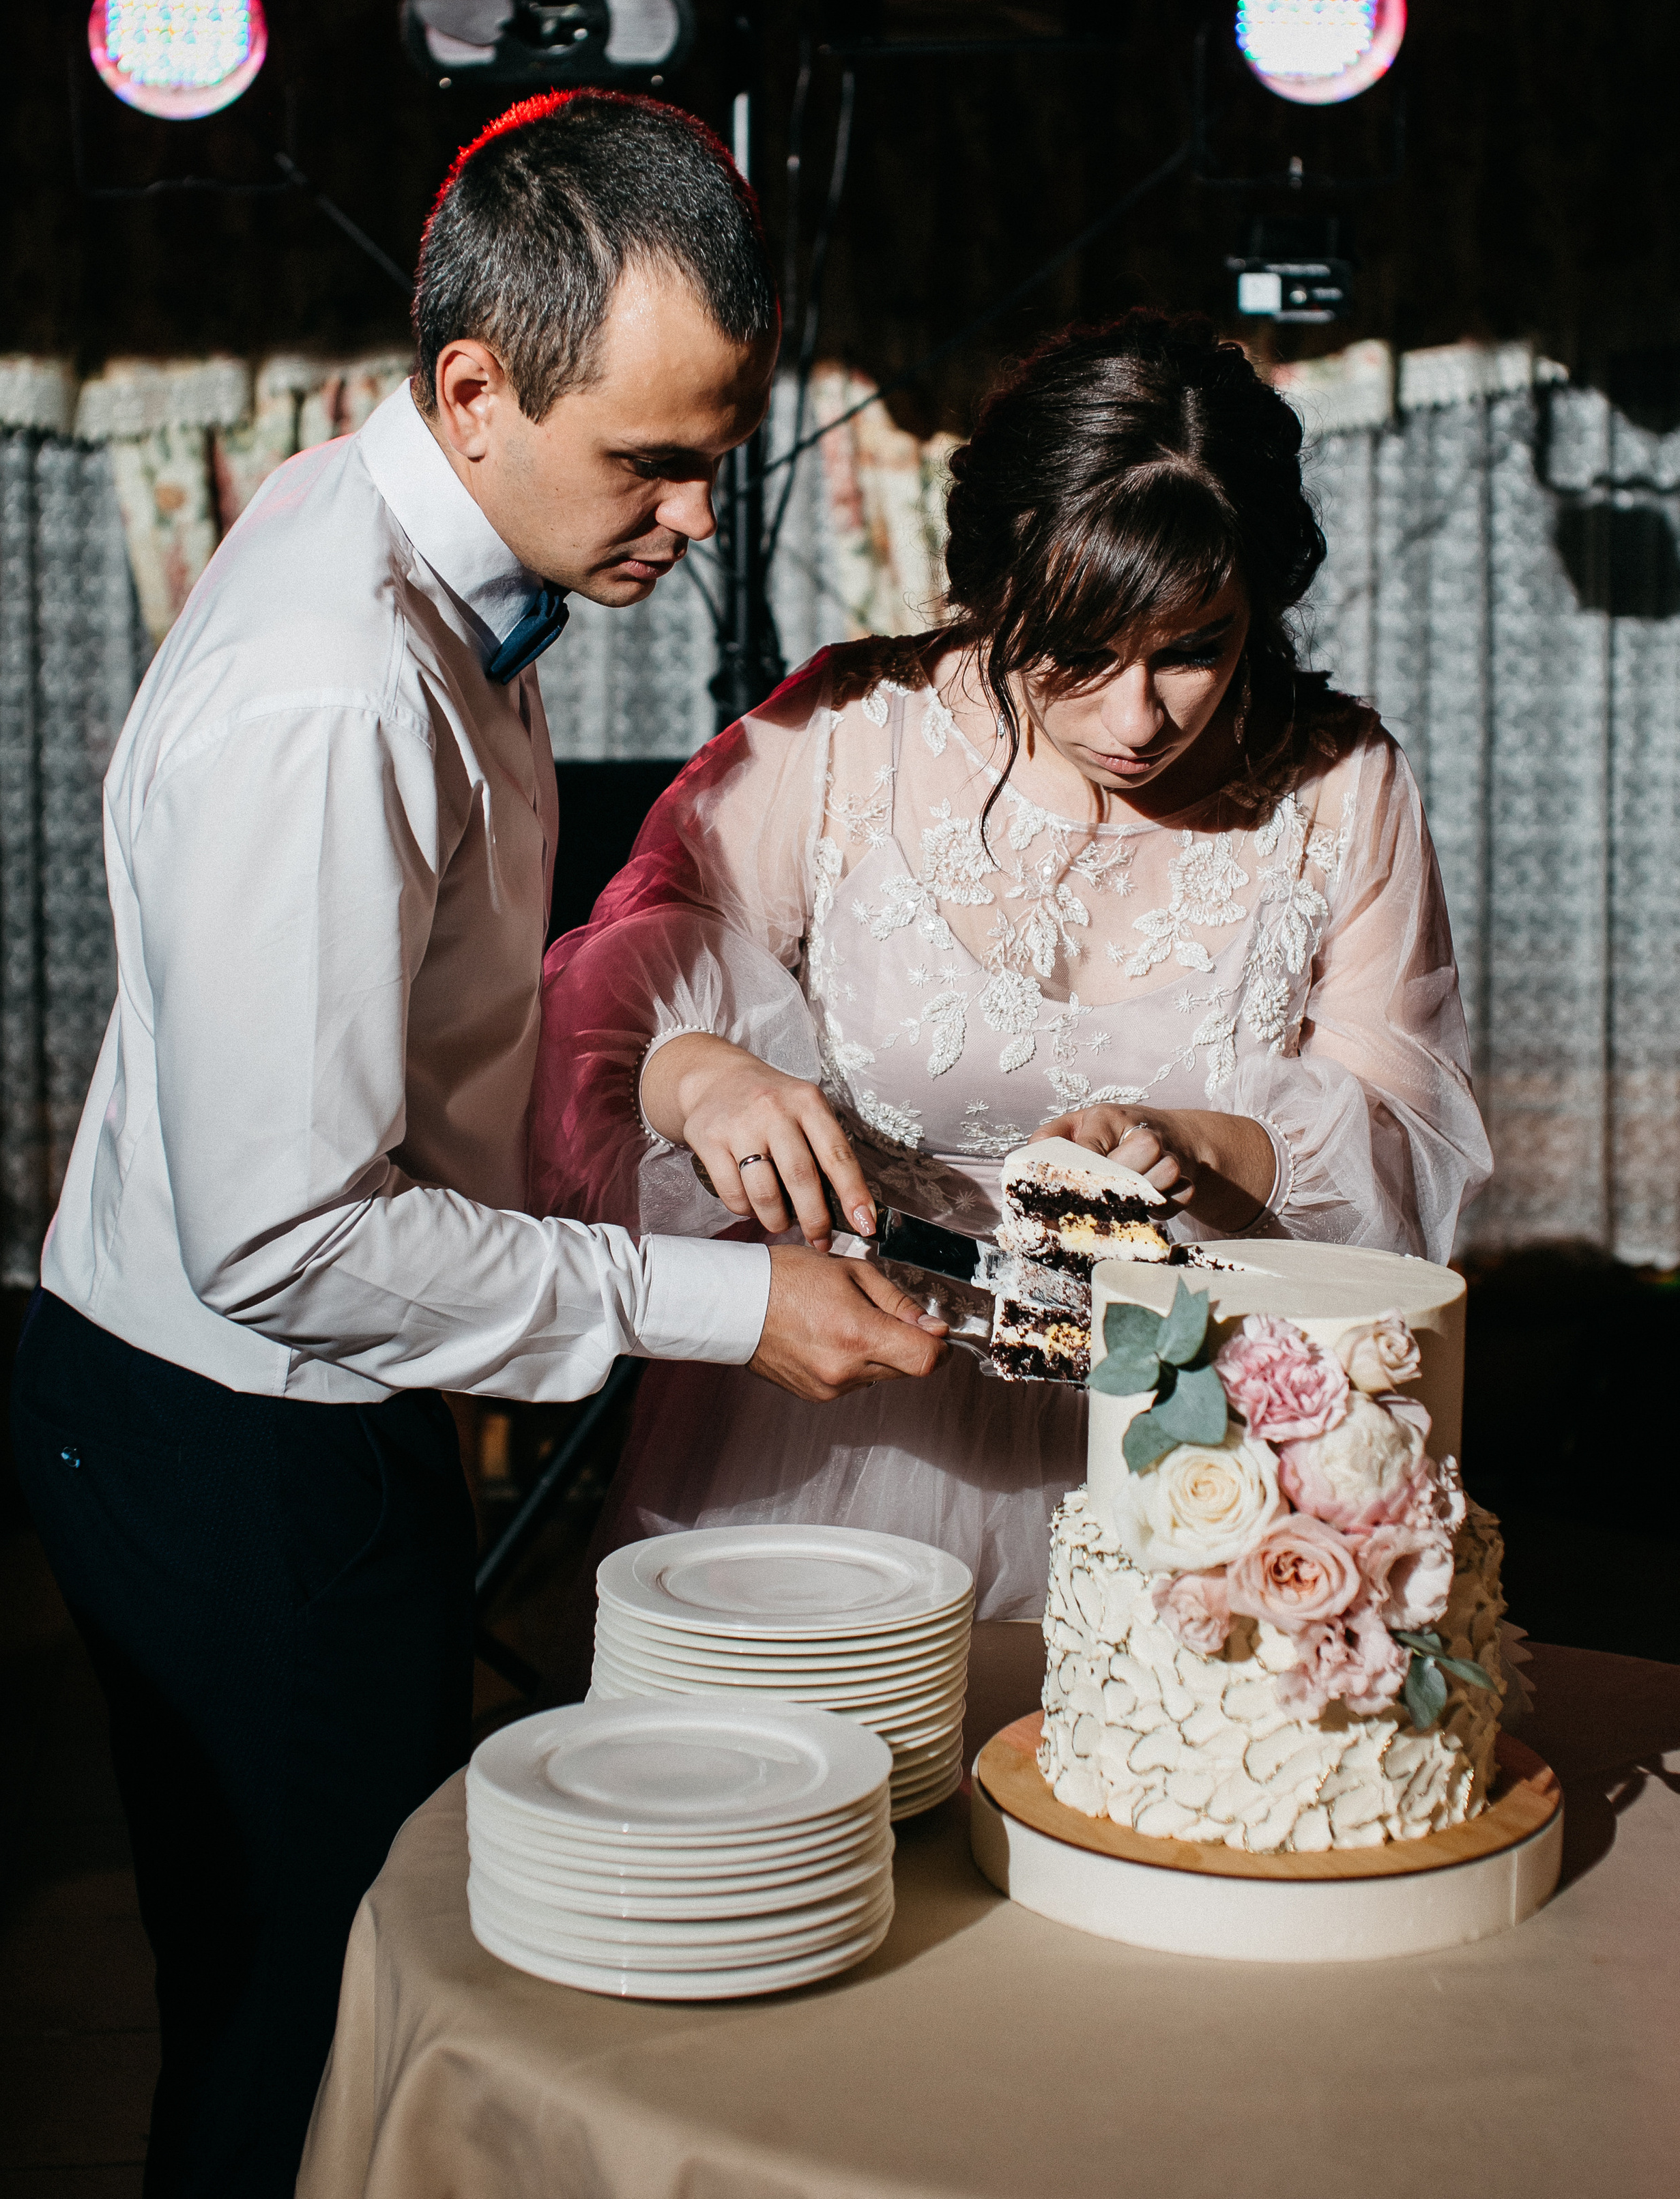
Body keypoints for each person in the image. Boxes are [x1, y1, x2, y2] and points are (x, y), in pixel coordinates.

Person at [12, 90, 940, 2199]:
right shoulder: (336, 690)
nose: (699, 517)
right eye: (653, 460)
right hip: (238, 1431)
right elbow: (290, 1242)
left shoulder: (424, 536)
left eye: (716, 451)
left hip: (258, 1412)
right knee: (310, 2021)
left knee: (305, 1994)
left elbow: (424, 1016)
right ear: (472, 388)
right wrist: (724, 1302)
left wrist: (678, 1086)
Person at [531, 309, 1492, 1624]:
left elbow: (1406, 1132)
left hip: (1203, 1457)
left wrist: (1217, 1147)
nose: (1136, 718)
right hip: (846, 1431)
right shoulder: (845, 736)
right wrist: (702, 1081)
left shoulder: (1342, 784)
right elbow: (609, 997)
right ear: (992, 589)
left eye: (1194, 651)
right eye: (1078, 655)